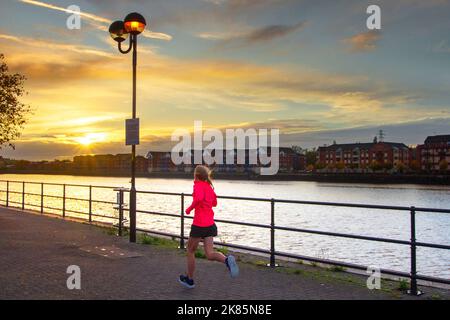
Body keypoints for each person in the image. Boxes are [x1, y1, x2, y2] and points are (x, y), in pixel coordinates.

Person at [178, 165, 239, 289]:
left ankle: (190, 279)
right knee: (209, 254)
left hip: (199, 224)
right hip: (210, 224)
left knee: (190, 251)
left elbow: (199, 198)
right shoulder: (209, 187)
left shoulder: (197, 185)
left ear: (196, 175)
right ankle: (227, 260)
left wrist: (189, 209)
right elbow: (214, 203)